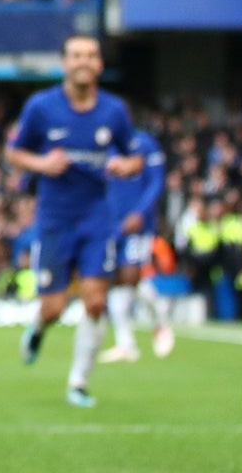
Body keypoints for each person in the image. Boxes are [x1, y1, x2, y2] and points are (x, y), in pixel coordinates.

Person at [5, 36, 145, 408]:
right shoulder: (41, 107)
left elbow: (136, 159)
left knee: (95, 302)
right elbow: (14, 151)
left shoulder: (114, 111)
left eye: (91, 55)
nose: (84, 61)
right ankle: (38, 329)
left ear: (99, 64)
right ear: (64, 63)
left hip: (97, 217)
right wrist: (42, 165)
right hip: (55, 218)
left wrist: (123, 165)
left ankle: (78, 383)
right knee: (53, 307)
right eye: (77, 56)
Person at [99, 123, 170, 363]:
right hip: (110, 224)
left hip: (138, 223)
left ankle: (160, 322)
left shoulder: (144, 143)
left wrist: (140, 212)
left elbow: (156, 181)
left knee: (131, 274)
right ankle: (126, 343)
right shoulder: (103, 146)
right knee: (115, 279)